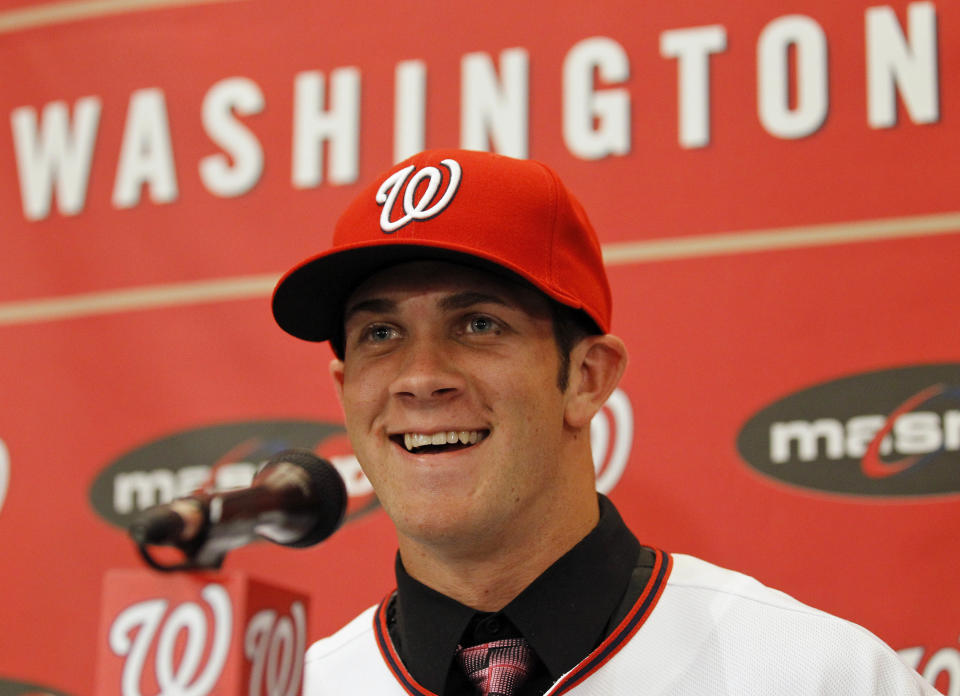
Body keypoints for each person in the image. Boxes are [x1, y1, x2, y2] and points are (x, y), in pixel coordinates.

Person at [272, 149, 941, 696]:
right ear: (344, 390)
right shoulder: (301, 688)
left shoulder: (821, 677)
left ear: (588, 378)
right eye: (380, 333)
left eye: (479, 324)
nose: (420, 377)